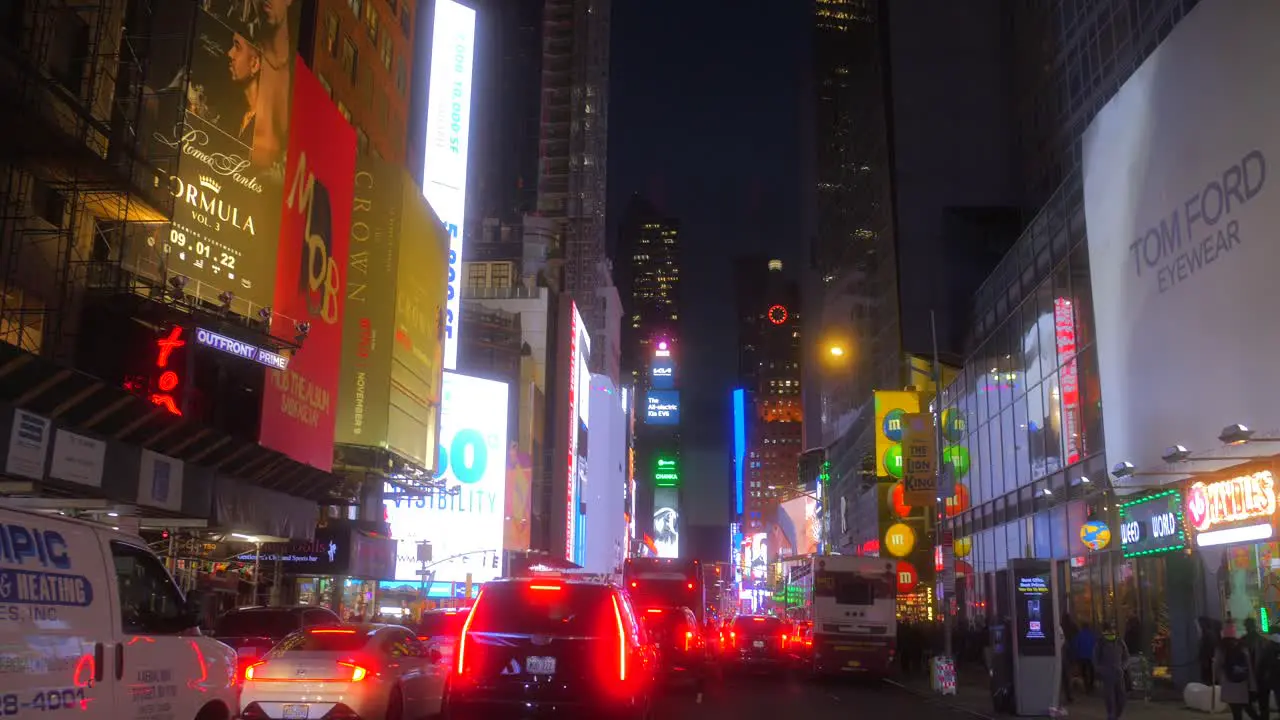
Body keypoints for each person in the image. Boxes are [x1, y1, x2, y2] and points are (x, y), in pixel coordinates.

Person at [1216, 624, 1261, 720]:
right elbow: (1249, 667)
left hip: (1228, 683)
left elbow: (1217, 666)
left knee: (1236, 712)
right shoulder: (1242, 647)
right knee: (1248, 708)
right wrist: (1252, 686)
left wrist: (1219, 679)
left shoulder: (1221, 648)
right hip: (1242, 684)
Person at [1094, 621, 1130, 720]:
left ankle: (1116, 714)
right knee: (1109, 697)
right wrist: (1100, 670)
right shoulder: (1100, 642)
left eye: (1112, 629)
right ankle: (1111, 715)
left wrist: (1123, 667)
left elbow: (1126, 656)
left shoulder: (1119, 641)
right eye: (1109, 630)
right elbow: (1095, 658)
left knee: (1121, 697)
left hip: (1119, 674)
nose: (1111, 632)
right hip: (1107, 674)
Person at [1061, 613, 1079, 703]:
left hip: (1063, 651)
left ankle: (1065, 693)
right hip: (1070, 651)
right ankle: (1069, 694)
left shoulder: (1060, 626)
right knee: (1067, 673)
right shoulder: (1073, 626)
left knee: (1064, 674)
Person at [1076, 622, 1098, 694]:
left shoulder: (1079, 635)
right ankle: (1091, 684)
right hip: (1091, 656)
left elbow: (1076, 645)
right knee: (1092, 670)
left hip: (1082, 656)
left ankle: (1086, 685)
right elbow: (1096, 645)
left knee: (1084, 671)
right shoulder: (1092, 635)